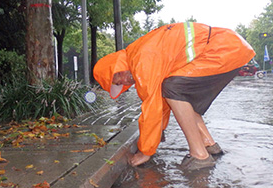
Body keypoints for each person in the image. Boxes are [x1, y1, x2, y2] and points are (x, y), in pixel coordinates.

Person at [93, 22, 255, 170]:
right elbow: (160, 103)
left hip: (223, 50)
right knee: (178, 92)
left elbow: (153, 108)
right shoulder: (139, 53)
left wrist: (146, 151)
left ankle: (200, 155)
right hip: (230, 46)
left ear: (116, 65)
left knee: (173, 89)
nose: (122, 81)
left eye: (116, 77)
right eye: (118, 83)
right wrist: (157, 132)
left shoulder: (141, 61)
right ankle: (208, 144)